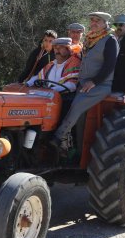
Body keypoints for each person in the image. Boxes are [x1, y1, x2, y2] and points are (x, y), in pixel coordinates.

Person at [50, 12, 118, 150]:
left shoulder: (110, 40)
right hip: (83, 83)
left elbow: (110, 65)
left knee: (77, 105)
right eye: (92, 20)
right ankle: (74, 148)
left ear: (105, 24)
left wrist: (94, 81)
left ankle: (58, 136)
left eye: (97, 21)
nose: (93, 23)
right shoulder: (90, 39)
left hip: (101, 85)